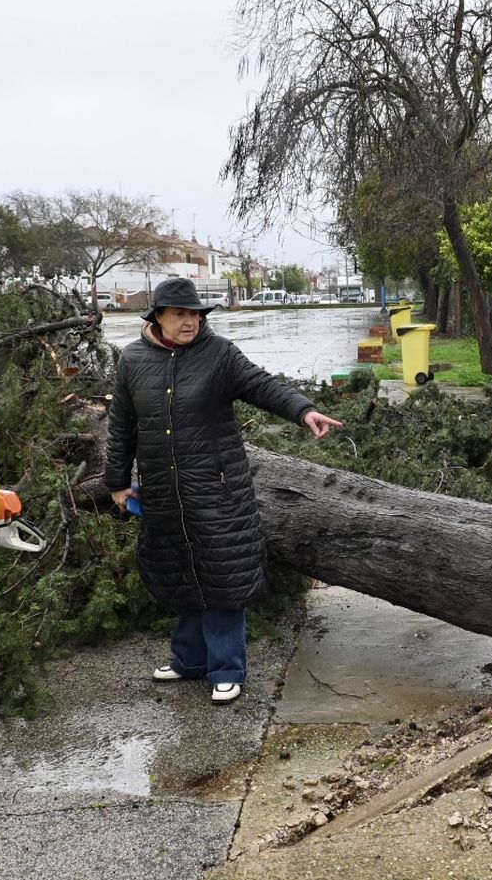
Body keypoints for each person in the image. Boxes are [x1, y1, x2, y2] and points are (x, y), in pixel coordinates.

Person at [104, 277, 343, 704]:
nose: (190, 321)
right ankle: (188, 661)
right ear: (157, 316)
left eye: (195, 313)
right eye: (180, 313)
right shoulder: (132, 360)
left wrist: (304, 411)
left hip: (218, 492)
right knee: (181, 573)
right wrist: (118, 483)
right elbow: (122, 426)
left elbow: (262, 385)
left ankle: (226, 669)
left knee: (223, 577)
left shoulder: (219, 355)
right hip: (163, 492)